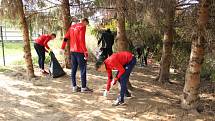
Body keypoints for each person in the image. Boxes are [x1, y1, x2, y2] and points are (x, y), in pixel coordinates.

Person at [61, 18, 92, 93]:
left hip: (73, 51)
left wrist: (62, 47)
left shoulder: (72, 27)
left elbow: (65, 38)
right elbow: (81, 40)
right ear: (84, 22)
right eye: (86, 24)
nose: (86, 26)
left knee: (74, 69)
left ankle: (74, 87)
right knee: (83, 69)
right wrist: (85, 52)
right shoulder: (82, 26)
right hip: (80, 52)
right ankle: (83, 88)